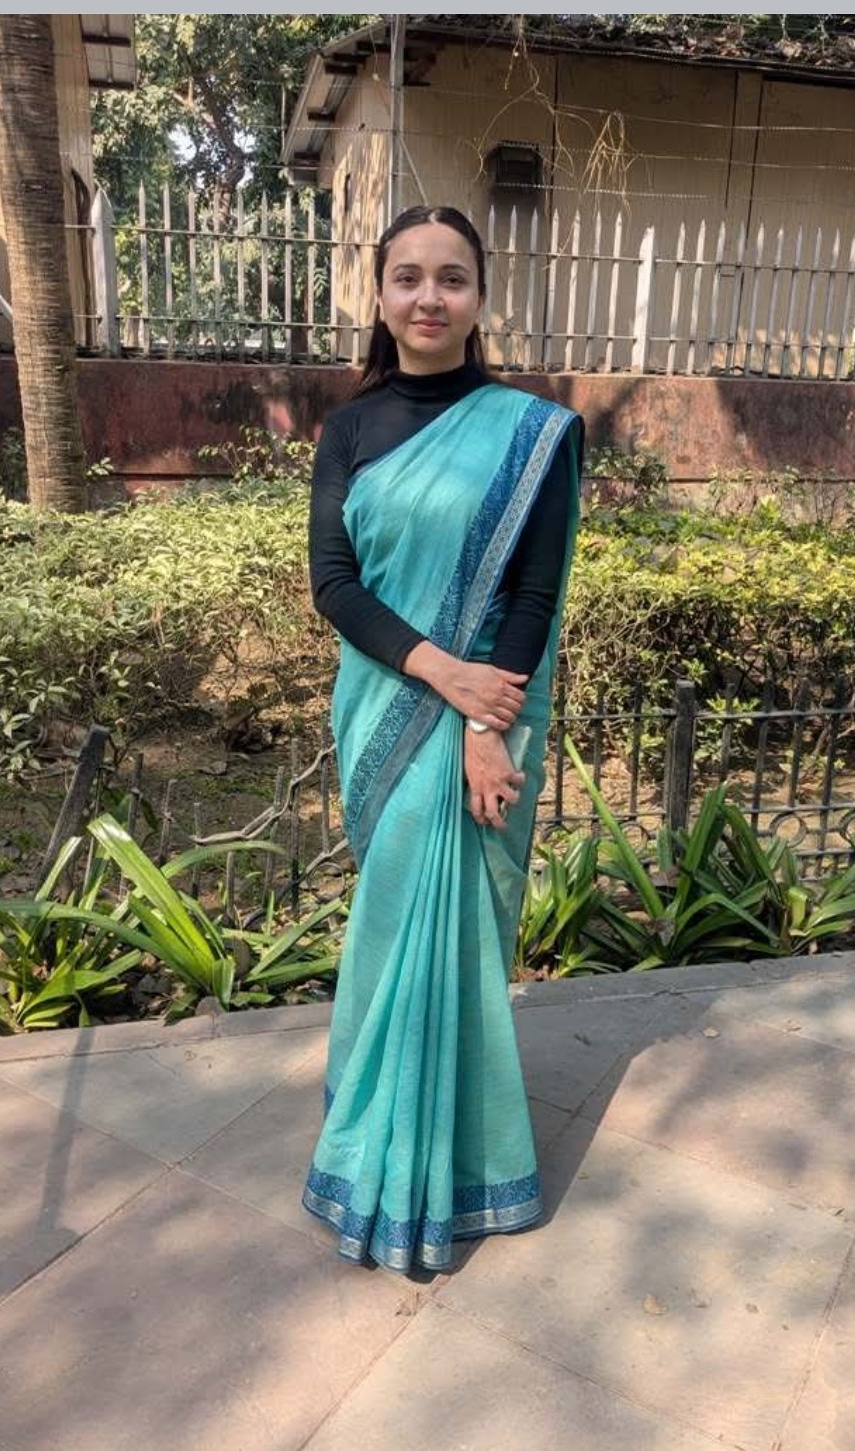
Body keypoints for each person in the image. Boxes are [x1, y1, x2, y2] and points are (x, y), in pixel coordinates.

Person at [303, 204, 583, 1273]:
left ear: (480, 296)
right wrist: (442, 674)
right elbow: (336, 585)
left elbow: (533, 593)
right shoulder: (349, 431)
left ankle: (456, 1167)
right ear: (380, 295)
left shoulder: (531, 431)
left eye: (451, 277)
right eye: (408, 276)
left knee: (457, 937)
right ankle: (375, 1142)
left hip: (487, 719)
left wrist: (482, 720)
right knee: (390, 926)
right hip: (386, 702)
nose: (429, 296)